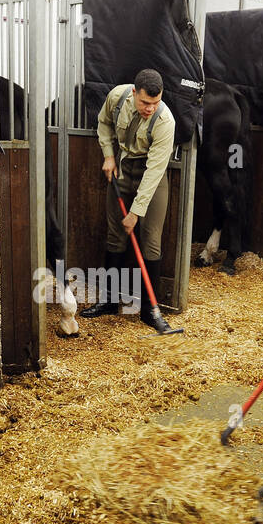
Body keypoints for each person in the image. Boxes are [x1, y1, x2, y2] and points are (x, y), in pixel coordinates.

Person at [80, 68, 177, 334]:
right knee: (115, 236)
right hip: (122, 168)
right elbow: (104, 123)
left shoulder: (165, 121)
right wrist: (108, 155)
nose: (149, 108)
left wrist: (135, 212)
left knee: (151, 238)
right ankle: (109, 301)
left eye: (155, 103)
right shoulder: (117, 97)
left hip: (151, 177)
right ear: (135, 93)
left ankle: (149, 310)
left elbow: (155, 172)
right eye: (145, 102)